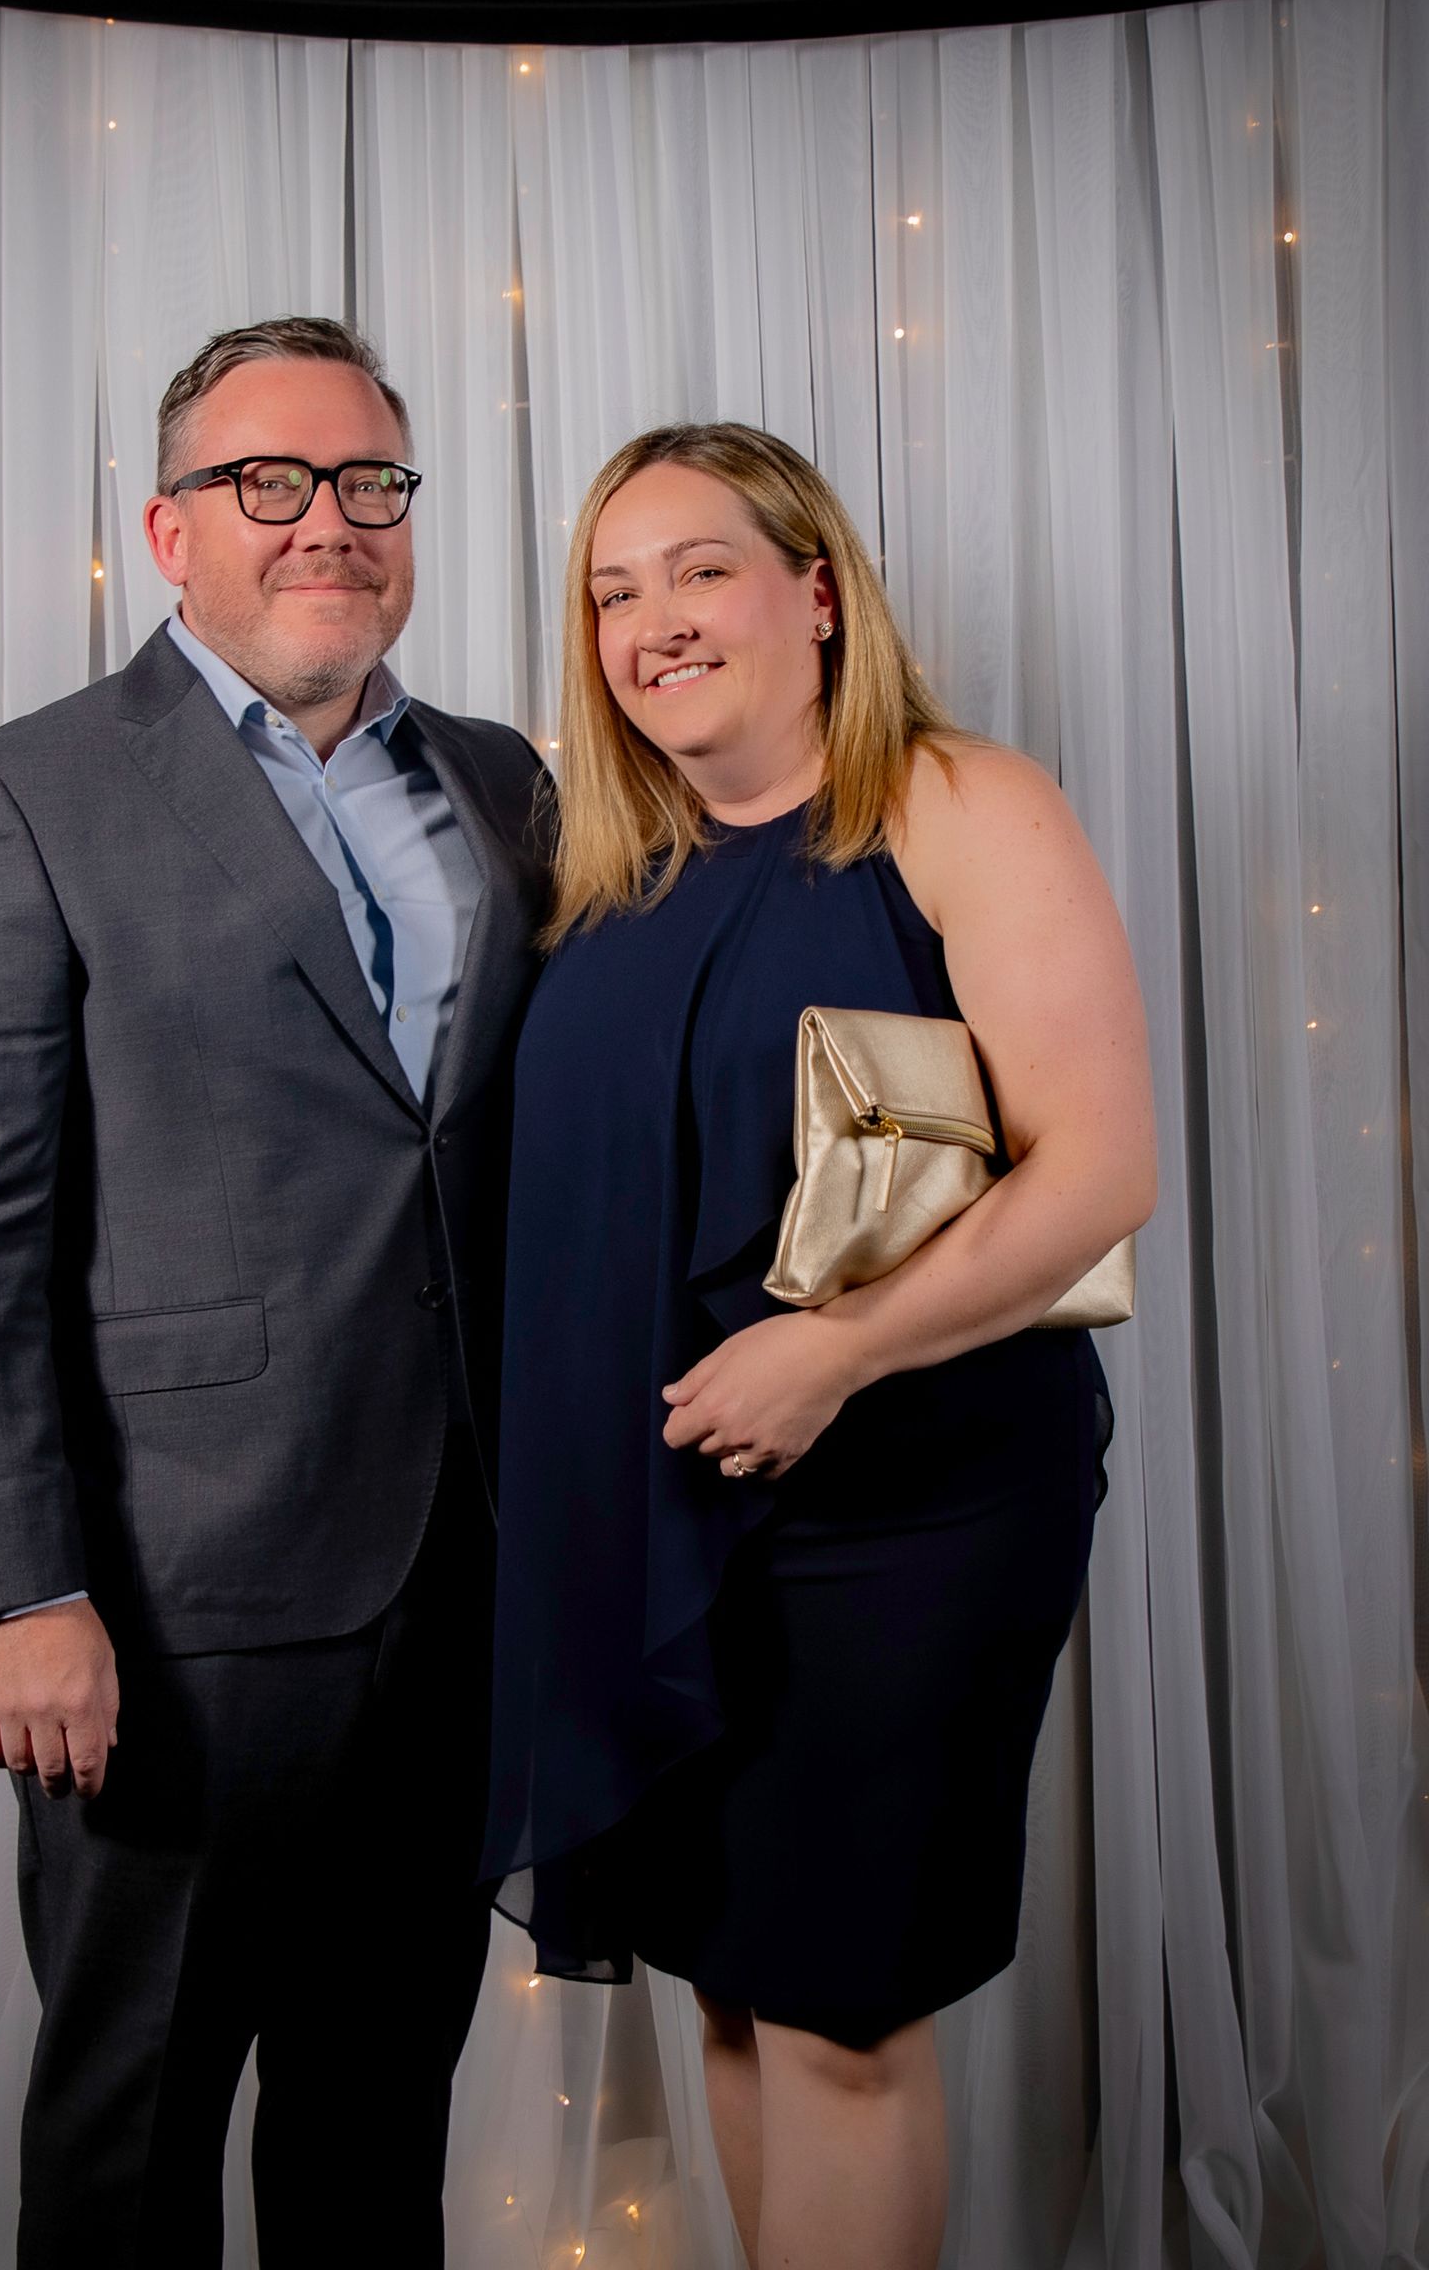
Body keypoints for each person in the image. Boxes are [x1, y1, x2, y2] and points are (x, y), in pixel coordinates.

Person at [0, 317, 553, 2268]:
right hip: (166, 1615)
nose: (325, 521)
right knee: (131, 2133)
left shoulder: (505, 788)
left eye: (367, 484)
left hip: (457, 1598)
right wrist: (14, 1590)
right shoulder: (19, 794)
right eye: (269, 482)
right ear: (170, 532)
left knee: (373, 2131)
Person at [481, 423, 1156, 2270]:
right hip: (668, 1512)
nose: (653, 622)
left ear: (821, 593)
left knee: (840, 2022)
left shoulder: (957, 803)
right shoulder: (608, 865)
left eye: (700, 569)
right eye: (614, 592)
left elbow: (1101, 1169)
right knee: (732, 1990)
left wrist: (829, 1356)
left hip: (908, 1518)